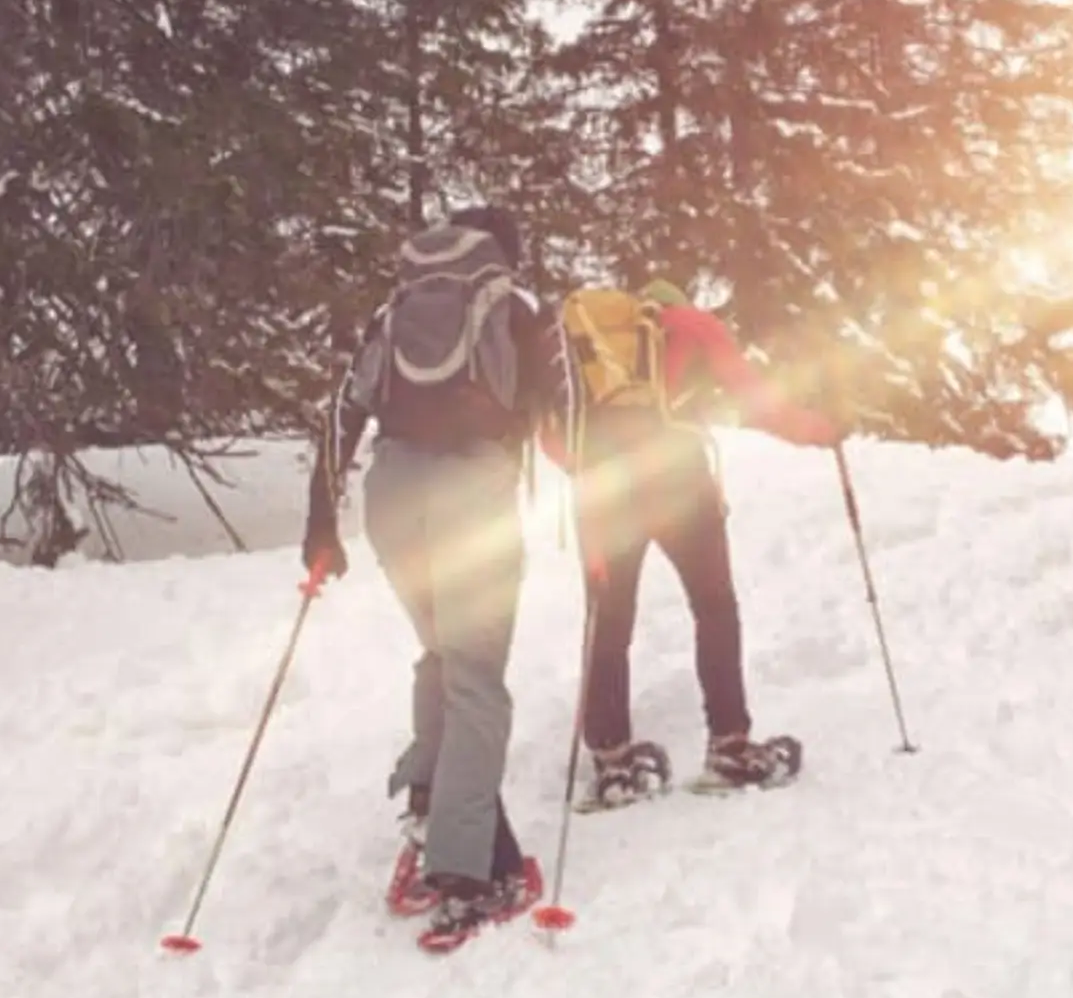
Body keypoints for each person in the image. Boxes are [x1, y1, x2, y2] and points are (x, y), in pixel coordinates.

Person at [301, 205, 574, 953]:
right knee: (476, 678)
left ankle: (432, 818)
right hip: (472, 496)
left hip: (392, 496)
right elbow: (571, 412)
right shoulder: (519, 308)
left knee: (443, 656)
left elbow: (341, 411)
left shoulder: (398, 310)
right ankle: (466, 874)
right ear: (507, 255)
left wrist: (321, 524)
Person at [539, 278, 844, 812]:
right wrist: (824, 430)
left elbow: (549, 434)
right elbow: (757, 403)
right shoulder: (694, 326)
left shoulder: (579, 343)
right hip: (679, 479)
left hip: (605, 489)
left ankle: (613, 763)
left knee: (608, 621)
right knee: (714, 606)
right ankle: (729, 748)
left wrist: (591, 466)